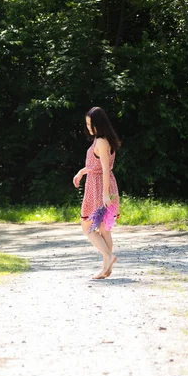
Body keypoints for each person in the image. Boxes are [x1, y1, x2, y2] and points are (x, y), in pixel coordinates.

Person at [73, 106, 121, 279]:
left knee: (87, 227)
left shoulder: (101, 141)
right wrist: (81, 172)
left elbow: (105, 170)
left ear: (98, 124)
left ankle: (108, 257)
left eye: (90, 124)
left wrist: (105, 194)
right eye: (86, 124)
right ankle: (106, 268)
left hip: (99, 187)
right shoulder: (104, 139)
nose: (88, 127)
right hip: (99, 183)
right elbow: (96, 166)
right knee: (104, 230)